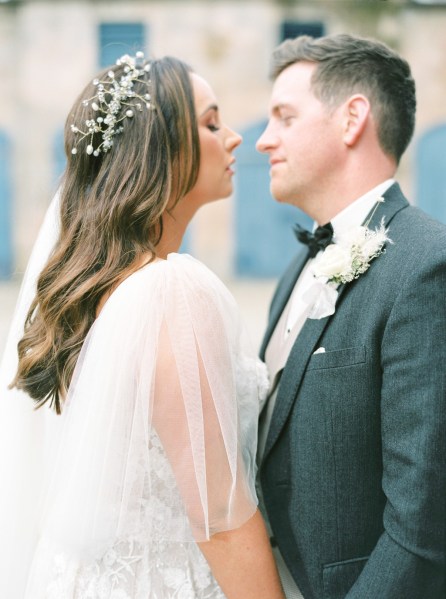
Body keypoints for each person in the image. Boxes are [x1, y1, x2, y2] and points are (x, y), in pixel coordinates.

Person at [0, 52, 285, 599]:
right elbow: (221, 516)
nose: (235, 138)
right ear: (161, 150)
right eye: (209, 123)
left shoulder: (97, 289)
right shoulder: (169, 291)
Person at [256, 33, 446, 599]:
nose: (264, 140)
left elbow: (424, 522)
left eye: (285, 118)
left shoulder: (426, 266)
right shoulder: (296, 268)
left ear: (351, 119)